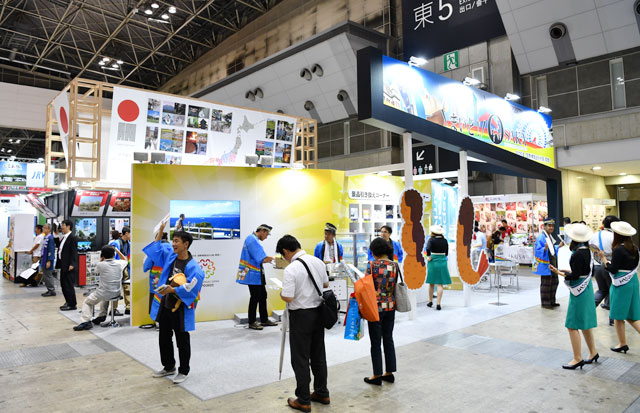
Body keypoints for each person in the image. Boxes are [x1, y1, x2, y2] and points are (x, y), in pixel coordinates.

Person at [144, 220, 205, 384]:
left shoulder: (194, 267)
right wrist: (160, 231)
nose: (173, 244)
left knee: (182, 339)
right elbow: (156, 251)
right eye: (173, 240)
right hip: (165, 305)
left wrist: (172, 290)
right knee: (164, 337)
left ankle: (184, 370)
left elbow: (192, 288)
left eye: (177, 241)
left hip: (181, 308)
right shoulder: (171, 257)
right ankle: (168, 366)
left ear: (186, 244)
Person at [277, 234, 330, 412]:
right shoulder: (318, 262)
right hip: (318, 313)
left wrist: (281, 293)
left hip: (300, 316)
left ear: (285, 251)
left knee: (300, 358)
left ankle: (304, 399)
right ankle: (322, 392)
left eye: (283, 255)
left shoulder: (291, 269)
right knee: (318, 356)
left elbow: (288, 297)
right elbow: (325, 284)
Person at [549, 223, 599, 370]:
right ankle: (593, 352)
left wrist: (560, 273)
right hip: (586, 287)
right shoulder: (587, 251)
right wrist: (568, 272)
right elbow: (583, 271)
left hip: (579, 291)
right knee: (585, 323)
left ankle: (577, 358)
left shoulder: (577, 253)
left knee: (572, 325)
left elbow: (575, 275)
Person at [598, 221, 640, 354]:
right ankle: (622, 344)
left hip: (621, 284)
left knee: (618, 315)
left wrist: (603, 259)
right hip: (633, 281)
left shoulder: (618, 249)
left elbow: (613, 269)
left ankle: (622, 343)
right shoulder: (634, 248)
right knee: (631, 315)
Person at [363, 237, 398, 385]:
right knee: (388, 338)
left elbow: (366, 286)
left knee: (376, 342)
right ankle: (389, 373)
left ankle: (377, 375)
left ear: (375, 251)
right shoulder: (394, 265)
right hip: (390, 306)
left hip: (375, 307)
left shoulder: (372, 265)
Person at [73, 246, 128, 331]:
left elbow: (96, 271)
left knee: (87, 302)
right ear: (114, 254)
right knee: (105, 297)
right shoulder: (119, 263)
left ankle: (86, 321)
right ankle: (102, 315)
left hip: (104, 293)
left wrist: (101, 259)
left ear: (102, 255)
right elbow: (125, 259)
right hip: (116, 292)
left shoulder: (100, 265)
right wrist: (117, 250)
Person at [236, 224, 276, 330]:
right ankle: (252, 321)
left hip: (257, 273)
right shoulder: (252, 239)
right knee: (255, 297)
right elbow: (262, 258)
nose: (266, 237)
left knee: (263, 296)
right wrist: (276, 259)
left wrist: (271, 259)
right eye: (267, 234)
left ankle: (264, 319)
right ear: (262, 230)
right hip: (252, 274)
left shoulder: (253, 239)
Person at [589, 215, 619, 313]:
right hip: (609, 266)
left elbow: (591, 249)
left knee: (602, 290)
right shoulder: (614, 237)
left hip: (597, 266)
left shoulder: (594, 235)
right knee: (613, 290)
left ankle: (588, 309)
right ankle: (613, 316)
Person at [141, 232, 170, 329]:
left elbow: (146, 266)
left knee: (155, 299)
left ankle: (158, 322)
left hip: (156, 279)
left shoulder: (155, 250)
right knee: (168, 298)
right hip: (169, 279)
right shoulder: (172, 249)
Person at [534, 218, 563, 308]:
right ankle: (546, 303)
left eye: (552, 226)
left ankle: (552, 301)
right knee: (546, 284)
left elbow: (552, 249)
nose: (551, 228)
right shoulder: (541, 237)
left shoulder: (549, 236)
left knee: (554, 282)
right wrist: (545, 248)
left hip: (552, 263)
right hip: (546, 264)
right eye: (549, 226)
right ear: (544, 226)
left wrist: (559, 246)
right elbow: (537, 251)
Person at [425, 225, 451, 310]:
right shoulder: (444, 240)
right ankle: (438, 304)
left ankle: (430, 301)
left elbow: (428, 248)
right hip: (442, 261)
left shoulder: (431, 240)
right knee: (440, 284)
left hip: (433, 261)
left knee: (431, 283)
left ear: (433, 232)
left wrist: (429, 256)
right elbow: (446, 252)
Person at [56, 219, 78, 311]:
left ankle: (72, 304)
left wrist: (72, 264)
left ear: (68, 226)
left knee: (68, 285)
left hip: (69, 266)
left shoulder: (72, 237)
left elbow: (74, 252)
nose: (62, 227)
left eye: (63, 225)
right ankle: (68, 301)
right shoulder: (64, 237)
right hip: (63, 264)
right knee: (63, 284)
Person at [110, 227, 131, 314]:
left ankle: (128, 307)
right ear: (126, 233)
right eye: (130, 234)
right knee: (116, 288)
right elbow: (112, 257)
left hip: (125, 267)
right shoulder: (116, 243)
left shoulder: (129, 243)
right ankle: (113, 309)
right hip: (117, 268)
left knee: (127, 287)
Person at [40, 223, 57, 297]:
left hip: (48, 260)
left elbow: (51, 250)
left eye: (45, 228)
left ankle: (52, 290)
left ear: (49, 229)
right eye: (43, 227)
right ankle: (49, 289)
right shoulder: (45, 237)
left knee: (48, 275)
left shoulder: (50, 238)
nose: (43, 229)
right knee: (45, 275)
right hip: (44, 258)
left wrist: (49, 261)